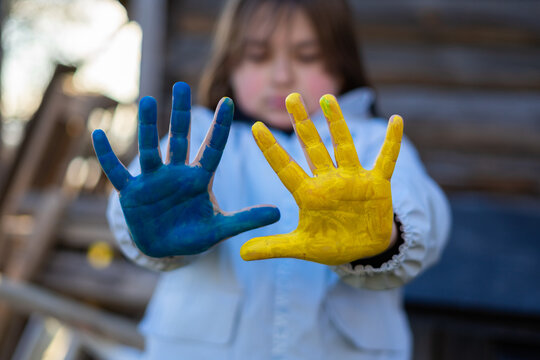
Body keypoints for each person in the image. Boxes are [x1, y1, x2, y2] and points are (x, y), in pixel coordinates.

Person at [95, 0, 451, 358]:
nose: (282, 76)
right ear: (229, 63)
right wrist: (146, 224)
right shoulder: (197, 142)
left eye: (307, 56)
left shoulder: (375, 143)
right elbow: (139, 193)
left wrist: (387, 232)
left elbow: (425, 212)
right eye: (257, 55)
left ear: (343, 64)